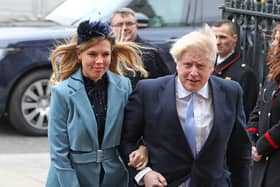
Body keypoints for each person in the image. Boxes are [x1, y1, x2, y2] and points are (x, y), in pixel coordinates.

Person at [120, 25, 251, 187]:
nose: (193, 73)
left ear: (212, 67)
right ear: (177, 64)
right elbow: (126, 141)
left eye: (201, 66)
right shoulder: (148, 91)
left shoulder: (230, 92)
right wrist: (144, 174)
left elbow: (239, 151)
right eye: (188, 65)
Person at [46, 20, 148, 187]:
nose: (100, 61)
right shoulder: (62, 92)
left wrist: (143, 147)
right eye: (92, 54)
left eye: (105, 54)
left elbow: (134, 130)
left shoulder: (124, 86)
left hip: (113, 177)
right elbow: (58, 153)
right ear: (79, 54)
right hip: (70, 178)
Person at [247, 23, 280, 187]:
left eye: (278, 40)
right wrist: (251, 141)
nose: (273, 44)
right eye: (274, 39)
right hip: (261, 161)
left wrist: (262, 146)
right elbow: (258, 109)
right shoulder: (273, 74)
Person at [110, 7, 174, 88]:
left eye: (129, 23)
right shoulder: (106, 53)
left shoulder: (150, 52)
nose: (125, 28)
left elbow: (166, 84)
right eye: (119, 24)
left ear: (136, 25)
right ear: (111, 28)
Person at [211, 19, 259, 121]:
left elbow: (246, 112)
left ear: (234, 38)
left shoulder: (245, 74)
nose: (217, 42)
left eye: (222, 37)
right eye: (214, 37)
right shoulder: (208, 66)